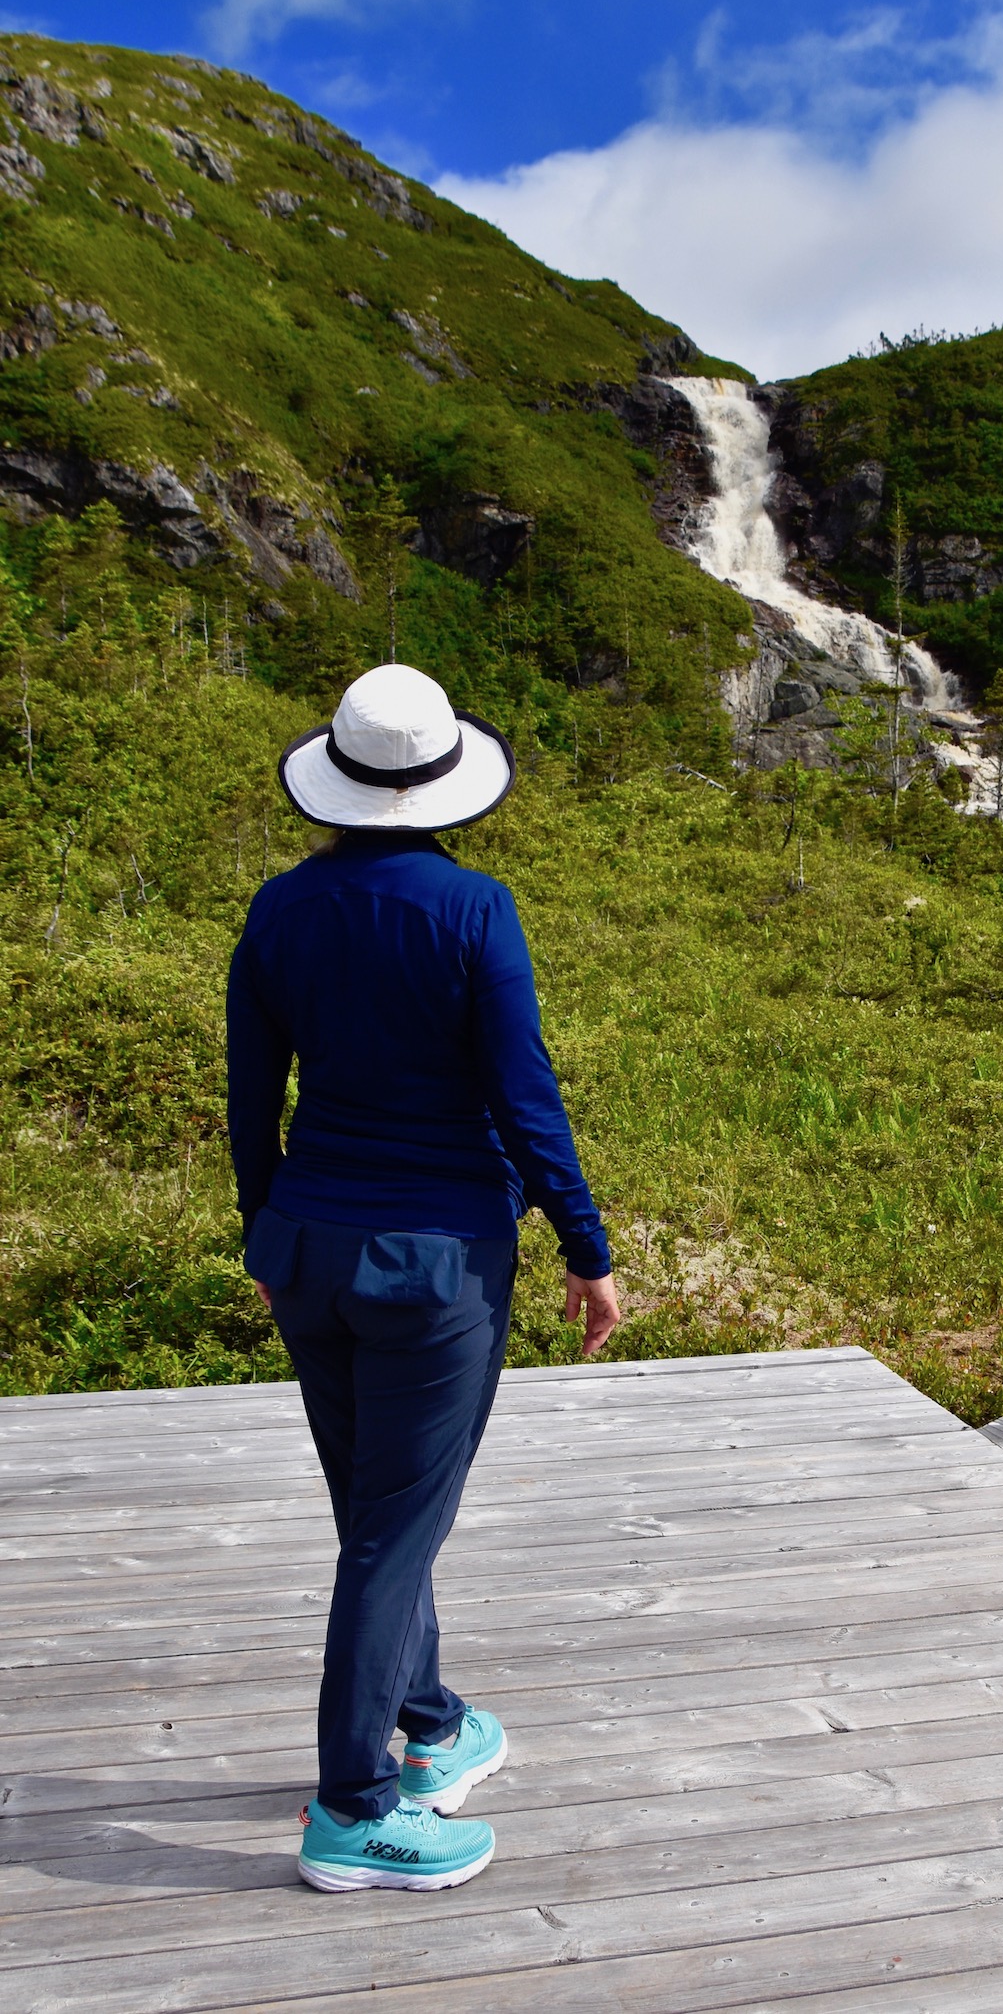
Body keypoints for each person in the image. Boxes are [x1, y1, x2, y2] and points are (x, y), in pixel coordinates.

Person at [227, 662, 619, 1892]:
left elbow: (251, 1098)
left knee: (378, 1514)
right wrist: (585, 1245)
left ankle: (434, 1722)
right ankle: (354, 1810)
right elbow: (524, 1094)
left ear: (335, 781)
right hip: (440, 1263)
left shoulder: (278, 910)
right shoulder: (474, 909)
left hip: (312, 1248)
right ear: (443, 784)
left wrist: (266, 1238)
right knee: (395, 1529)